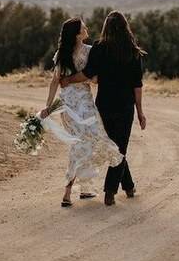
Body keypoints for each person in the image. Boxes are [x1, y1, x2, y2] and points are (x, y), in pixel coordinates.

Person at [60, 11, 147, 206]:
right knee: (119, 146)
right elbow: (137, 85)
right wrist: (140, 111)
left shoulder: (99, 48)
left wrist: (68, 79)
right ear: (126, 27)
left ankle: (128, 186)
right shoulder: (133, 52)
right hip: (125, 107)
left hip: (104, 105)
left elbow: (87, 73)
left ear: (106, 27)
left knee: (113, 146)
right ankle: (110, 191)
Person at [39, 18, 123, 207]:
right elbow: (94, 79)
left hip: (67, 105)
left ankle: (84, 189)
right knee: (87, 141)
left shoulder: (61, 53)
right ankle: (67, 191)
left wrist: (49, 105)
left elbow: (55, 82)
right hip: (83, 104)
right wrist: (87, 79)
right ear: (77, 34)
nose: (87, 28)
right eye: (83, 27)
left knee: (80, 143)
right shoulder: (89, 51)